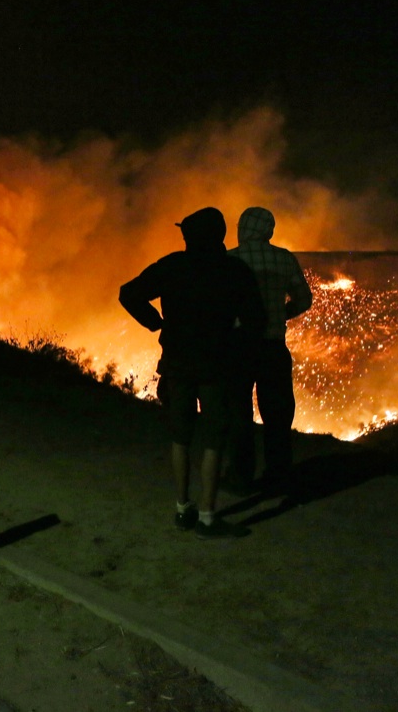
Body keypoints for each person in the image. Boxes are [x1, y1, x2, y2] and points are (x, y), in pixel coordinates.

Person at [119, 207, 265, 539]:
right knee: (214, 439)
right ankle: (208, 518)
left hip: (178, 365)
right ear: (220, 235)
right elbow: (256, 320)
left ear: (189, 237)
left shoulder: (172, 266)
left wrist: (156, 322)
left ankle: (183, 509)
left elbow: (128, 293)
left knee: (180, 437)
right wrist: (236, 340)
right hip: (217, 367)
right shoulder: (234, 271)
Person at [224, 206, 313, 494]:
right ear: (268, 230)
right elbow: (304, 298)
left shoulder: (229, 260)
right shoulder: (284, 259)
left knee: (238, 414)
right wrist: (281, 314)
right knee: (277, 415)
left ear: (243, 228)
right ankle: (278, 476)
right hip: (273, 347)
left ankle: (241, 477)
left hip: (238, 348)